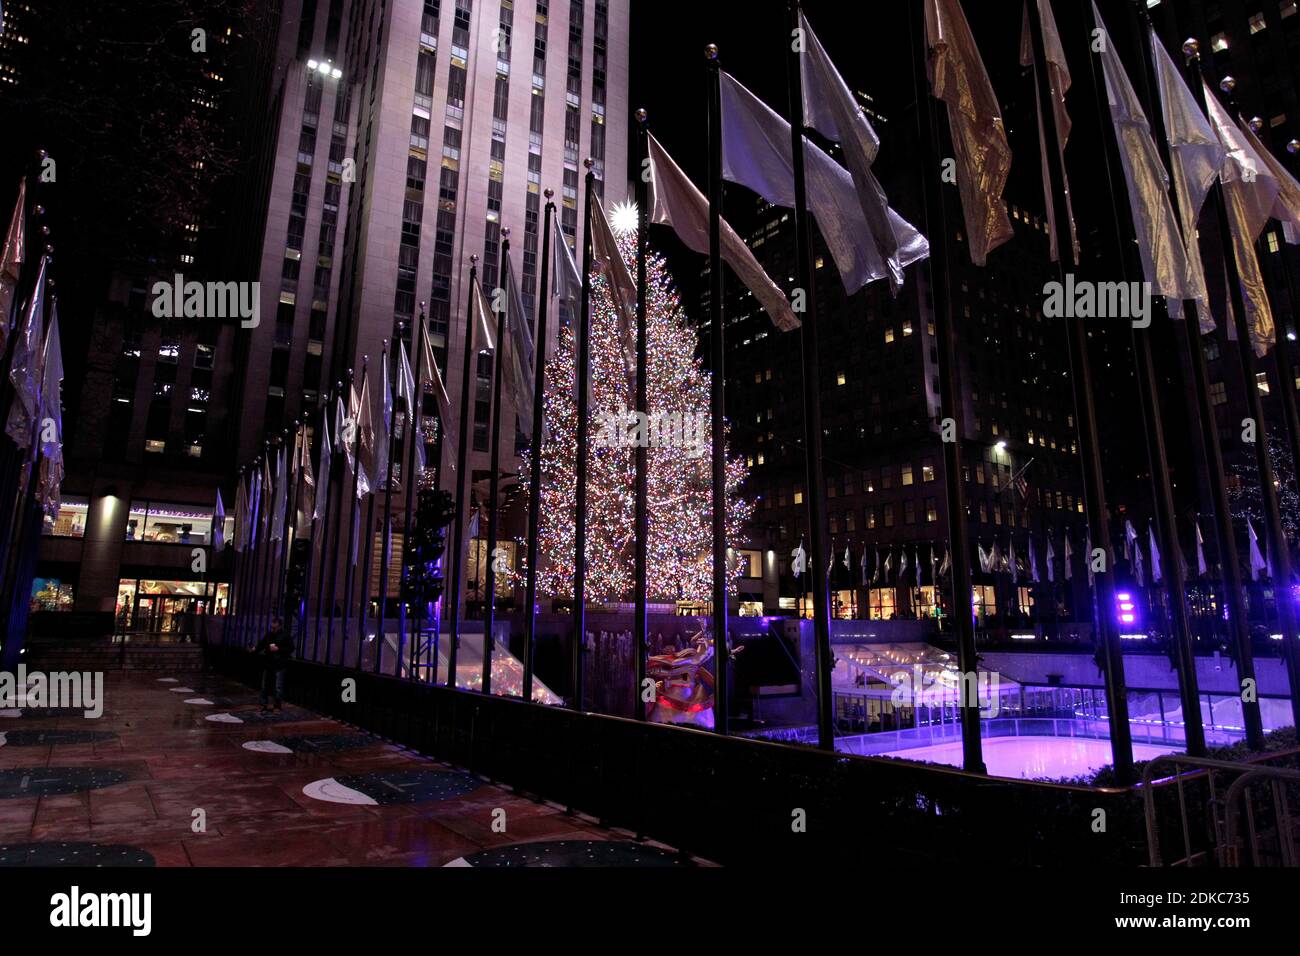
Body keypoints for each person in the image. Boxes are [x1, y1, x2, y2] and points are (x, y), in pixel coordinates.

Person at [252, 617, 294, 712]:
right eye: (271, 627)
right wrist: (255, 649)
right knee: (264, 686)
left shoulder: (285, 636)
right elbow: (262, 644)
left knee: (278, 687)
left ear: (279, 627)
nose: (272, 629)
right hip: (269, 663)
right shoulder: (269, 635)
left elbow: (291, 648)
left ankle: (277, 706)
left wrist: (278, 649)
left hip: (279, 664)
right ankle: (263, 705)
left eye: (274, 628)